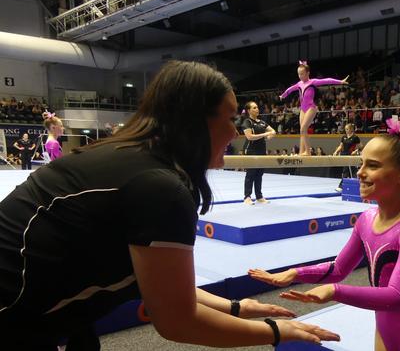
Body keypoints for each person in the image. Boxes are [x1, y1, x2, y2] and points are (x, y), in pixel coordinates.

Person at [0, 61, 339, 350]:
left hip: (43, 303)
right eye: (231, 118)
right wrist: (276, 332)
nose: (235, 132)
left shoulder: (137, 158)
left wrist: (236, 307)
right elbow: (177, 320)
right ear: (196, 122)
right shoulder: (159, 187)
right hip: (15, 307)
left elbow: (161, 286)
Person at [249, 118, 400, 351]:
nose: (360, 172)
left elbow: (397, 297)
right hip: (384, 330)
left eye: (372, 165)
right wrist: (294, 273)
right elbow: (339, 269)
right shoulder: (366, 220)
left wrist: (335, 291)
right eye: (361, 163)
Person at [279, 60, 348, 155]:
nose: (300, 76)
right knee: (301, 131)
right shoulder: (299, 84)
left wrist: (340, 81)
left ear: (308, 73)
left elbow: (326, 80)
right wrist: (283, 95)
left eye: (302, 74)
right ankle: (301, 152)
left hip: (311, 108)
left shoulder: (313, 82)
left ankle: (308, 152)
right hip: (303, 109)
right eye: (299, 74)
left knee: (303, 128)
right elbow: (290, 89)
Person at [242, 101, 276, 205]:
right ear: (249, 111)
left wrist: (269, 137)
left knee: (259, 174)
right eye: (254, 108)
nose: (257, 109)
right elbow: (249, 137)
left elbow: (273, 131)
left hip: (261, 150)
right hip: (251, 150)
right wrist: (265, 134)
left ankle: (259, 196)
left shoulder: (262, 122)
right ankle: (247, 197)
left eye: (257, 107)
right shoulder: (247, 122)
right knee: (251, 174)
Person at [333, 123, 361, 192]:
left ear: (351, 129)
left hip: (350, 155)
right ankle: (356, 185)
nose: (346, 130)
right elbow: (341, 146)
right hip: (344, 155)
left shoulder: (355, 137)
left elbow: (361, 147)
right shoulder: (344, 137)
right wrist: (336, 152)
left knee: (346, 170)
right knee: (350, 171)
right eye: (345, 129)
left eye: (347, 129)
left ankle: (341, 186)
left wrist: (356, 151)